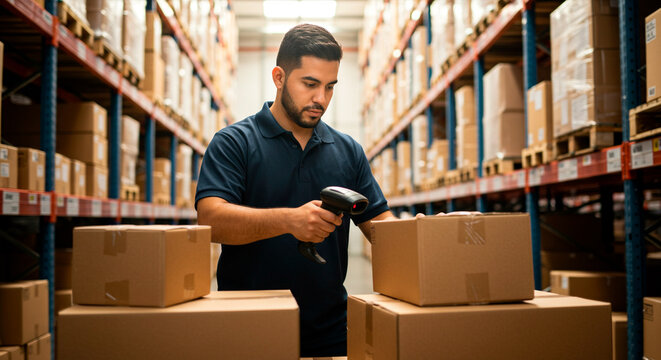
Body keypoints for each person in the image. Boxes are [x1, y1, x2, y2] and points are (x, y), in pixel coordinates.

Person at [195, 23, 395, 357]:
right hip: (247, 328)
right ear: (279, 77)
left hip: (330, 331)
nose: (321, 98)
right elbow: (210, 219)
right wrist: (289, 221)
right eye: (310, 84)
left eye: (330, 87)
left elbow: (379, 223)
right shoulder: (234, 142)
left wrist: (422, 232)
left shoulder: (348, 151)